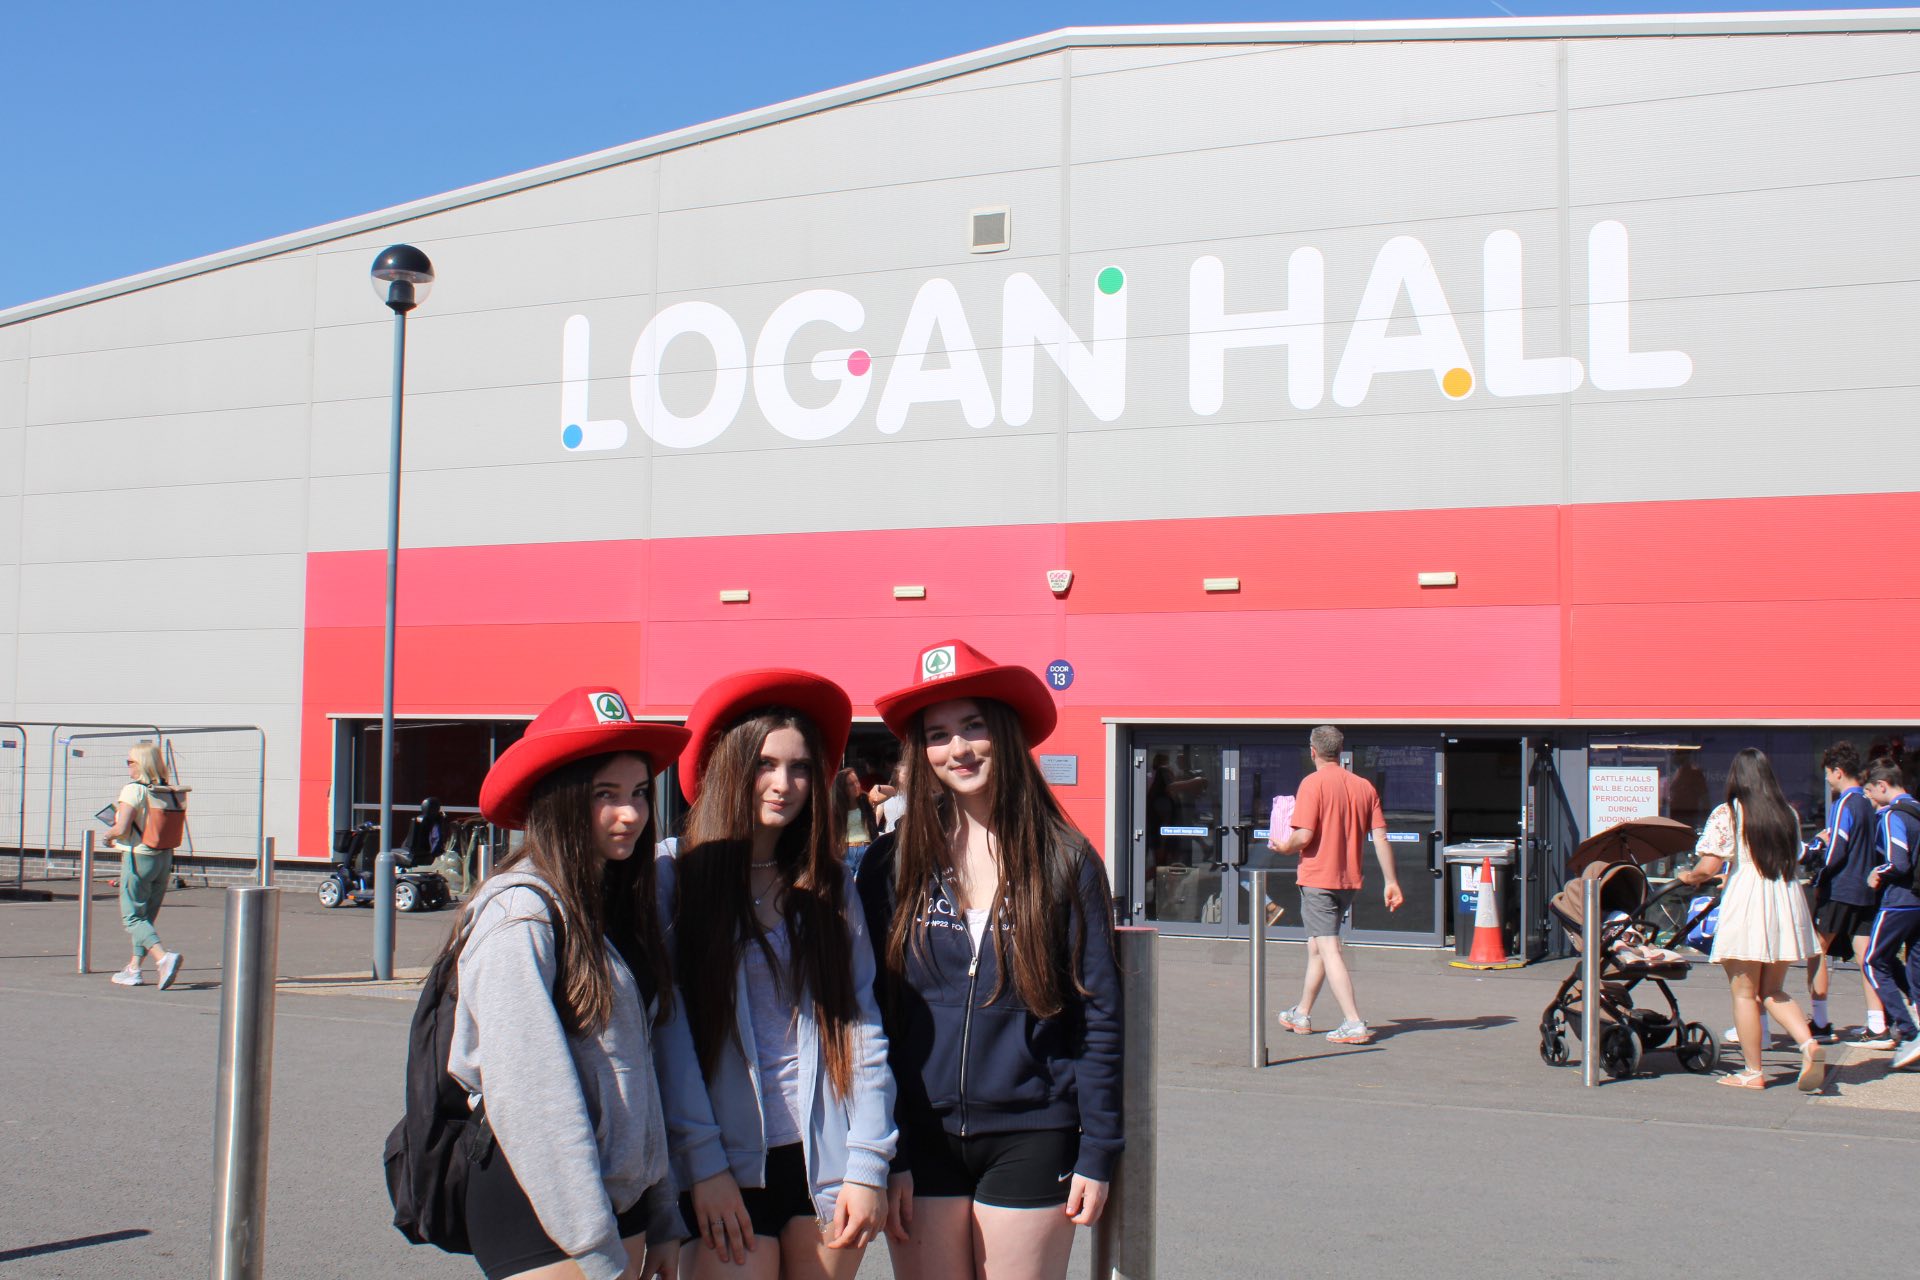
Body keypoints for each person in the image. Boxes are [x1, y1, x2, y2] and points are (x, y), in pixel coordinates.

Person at [858, 639, 1122, 1280]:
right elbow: (873, 1012)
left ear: (1004, 733)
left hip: (1034, 1131)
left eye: (973, 726)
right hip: (918, 1133)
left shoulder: (1066, 860)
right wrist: (887, 1152)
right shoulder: (891, 863)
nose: (958, 749)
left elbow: (1099, 1016)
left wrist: (1099, 1147)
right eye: (937, 735)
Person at [657, 669, 895, 1280]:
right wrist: (704, 1166)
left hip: (826, 1161)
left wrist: (869, 1160)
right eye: (765, 764)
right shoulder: (673, 877)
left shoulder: (830, 883)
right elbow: (667, 1037)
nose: (784, 785)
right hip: (723, 1163)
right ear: (731, 766)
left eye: (800, 768)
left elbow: (860, 1023)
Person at [448, 685, 691, 1280]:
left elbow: (638, 1072)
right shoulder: (521, 916)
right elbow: (531, 1096)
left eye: (639, 793)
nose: (631, 814)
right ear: (558, 798)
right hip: (541, 1209)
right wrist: (596, 1247)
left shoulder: (612, 907)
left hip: (614, 1204)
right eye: (605, 795)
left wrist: (661, 1212)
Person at [1675, 748, 1824, 1090]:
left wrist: (1689, 876)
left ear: (1736, 777)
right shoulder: (1787, 814)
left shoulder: (1729, 812)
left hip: (1748, 904)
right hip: (1784, 901)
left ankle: (1753, 1072)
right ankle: (1808, 1044)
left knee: (1744, 993)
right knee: (1773, 990)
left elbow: (1707, 867)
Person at [1268, 726, 1403, 1045]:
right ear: (1340, 751)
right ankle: (1301, 1013)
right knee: (1317, 946)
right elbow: (1380, 838)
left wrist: (1284, 847)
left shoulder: (1312, 783)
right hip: (1348, 881)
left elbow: (1304, 836)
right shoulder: (1364, 787)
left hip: (1318, 879)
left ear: (1312, 751)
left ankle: (1353, 1022)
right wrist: (1391, 881)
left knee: (1328, 948)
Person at [1805, 743, 1880, 1041]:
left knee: (1816, 951)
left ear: (1838, 771)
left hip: (1839, 889)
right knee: (1866, 957)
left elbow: (1837, 848)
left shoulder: (1844, 804)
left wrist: (1819, 873)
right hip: (1865, 889)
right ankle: (1877, 1023)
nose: (1826, 779)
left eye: (1827, 773)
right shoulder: (1867, 803)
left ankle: (1821, 1022)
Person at [103, 742, 184, 990]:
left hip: (138, 856)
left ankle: (162, 958)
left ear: (141, 764)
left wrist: (108, 836)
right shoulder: (165, 791)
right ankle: (134, 968)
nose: (128, 766)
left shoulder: (133, 790)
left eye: (130, 762)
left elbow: (122, 828)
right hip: (164, 856)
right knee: (146, 917)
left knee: (132, 918)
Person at [1856, 757, 1920, 1067]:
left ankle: (1909, 1032)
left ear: (1882, 786)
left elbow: (1899, 861)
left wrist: (1877, 872)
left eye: (1869, 791)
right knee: (1915, 967)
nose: (1868, 797)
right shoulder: (1917, 808)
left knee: (1873, 961)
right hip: (1918, 901)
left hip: (1899, 900)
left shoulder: (1893, 814)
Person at [836, 768, 877, 877]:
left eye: (857, 781)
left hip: (865, 848)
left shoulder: (866, 800)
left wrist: (878, 788)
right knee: (847, 884)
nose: (856, 786)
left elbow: (891, 792)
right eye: (851, 784)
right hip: (845, 851)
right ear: (842, 788)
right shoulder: (837, 808)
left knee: (863, 882)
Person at [868, 761, 907, 836]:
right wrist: (872, 833)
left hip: (906, 837)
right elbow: (877, 816)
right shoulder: (887, 794)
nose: (908, 777)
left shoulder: (914, 796)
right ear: (897, 775)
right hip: (889, 836)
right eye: (905, 774)